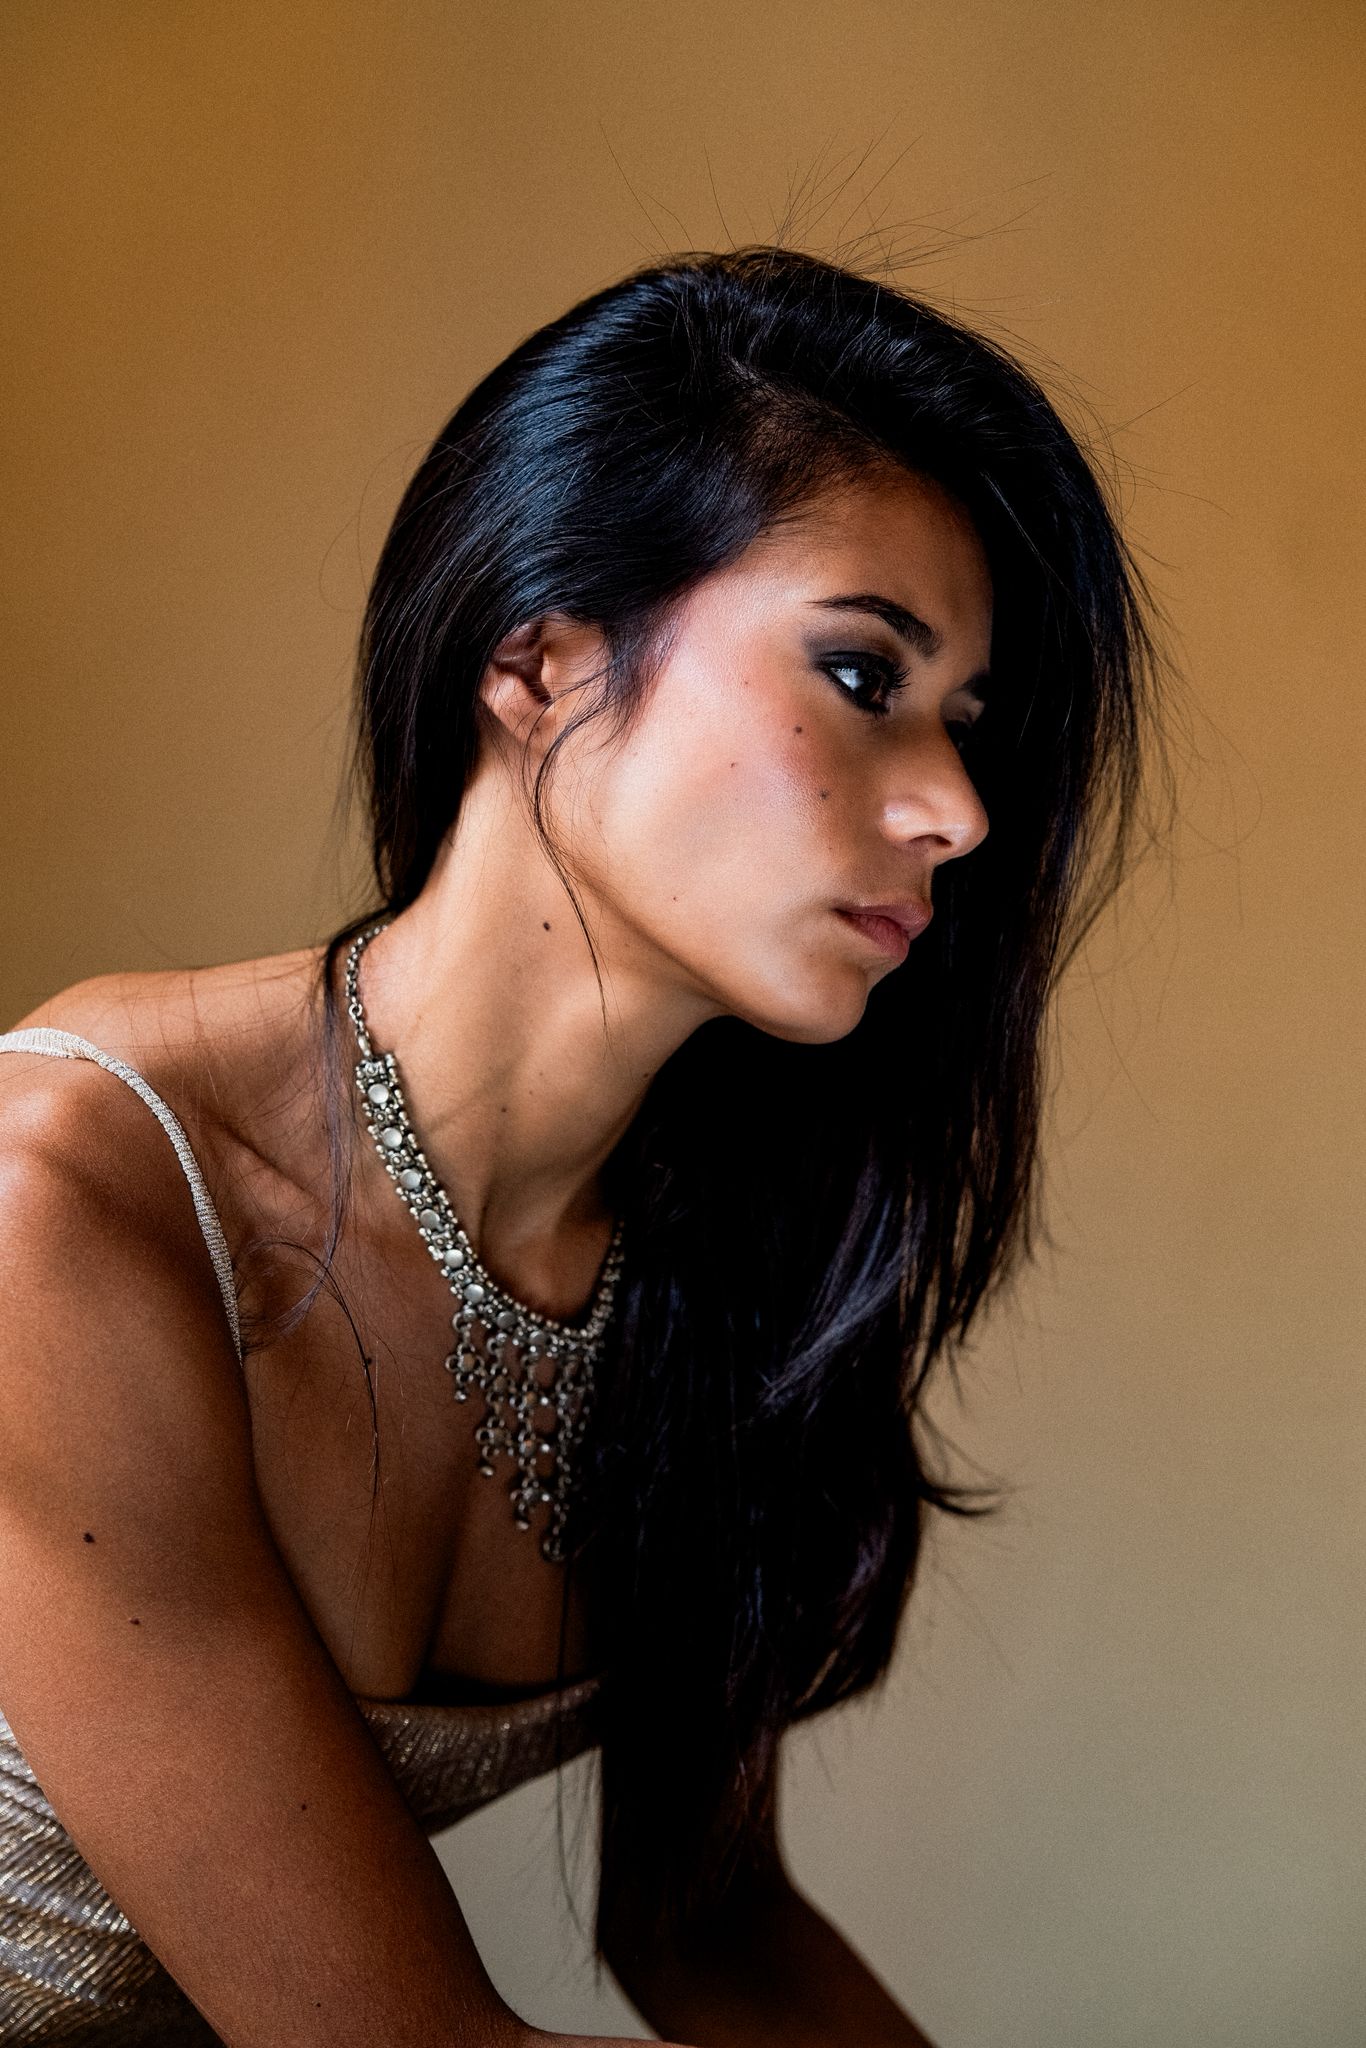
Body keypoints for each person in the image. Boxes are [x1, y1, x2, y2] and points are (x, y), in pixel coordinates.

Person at [0, 244, 1167, 2047]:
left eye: (964, 725)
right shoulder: (67, 1199)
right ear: (537, 659)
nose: (953, 810)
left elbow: (715, 1940)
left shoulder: (723, 1268)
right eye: (861, 674)